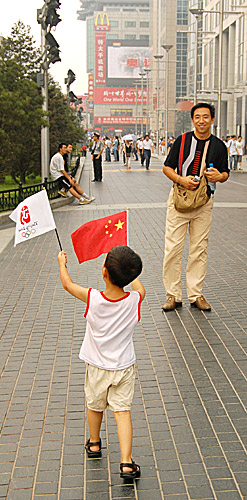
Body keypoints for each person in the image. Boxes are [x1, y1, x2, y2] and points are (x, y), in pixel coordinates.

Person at [57, 245, 145, 479]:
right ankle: (126, 462)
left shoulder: (93, 298)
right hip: (124, 367)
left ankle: (94, 443)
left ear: (104, 272)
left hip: (96, 366)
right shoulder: (135, 299)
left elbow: (67, 285)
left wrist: (61, 264)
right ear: (131, 276)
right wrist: (133, 276)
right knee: (122, 411)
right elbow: (139, 288)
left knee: (95, 405)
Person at [162, 102, 229, 312]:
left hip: (204, 203)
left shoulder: (219, 146)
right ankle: (173, 295)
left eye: (206, 117)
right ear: (193, 120)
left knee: (199, 249)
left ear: (212, 120)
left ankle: (195, 294)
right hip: (179, 201)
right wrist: (181, 180)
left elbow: (225, 173)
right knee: (173, 249)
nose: (201, 121)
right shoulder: (182, 141)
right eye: (197, 117)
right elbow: (166, 167)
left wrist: (219, 176)